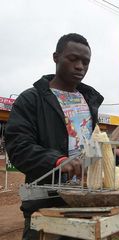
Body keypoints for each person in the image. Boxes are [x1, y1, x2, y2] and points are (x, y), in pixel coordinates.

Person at [5, 33, 104, 240]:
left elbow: (89, 149)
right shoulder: (31, 100)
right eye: (73, 59)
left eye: (86, 62)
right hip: (47, 206)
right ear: (56, 57)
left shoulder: (89, 101)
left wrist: (114, 154)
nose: (80, 66)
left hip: (88, 204)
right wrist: (57, 161)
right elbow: (18, 147)